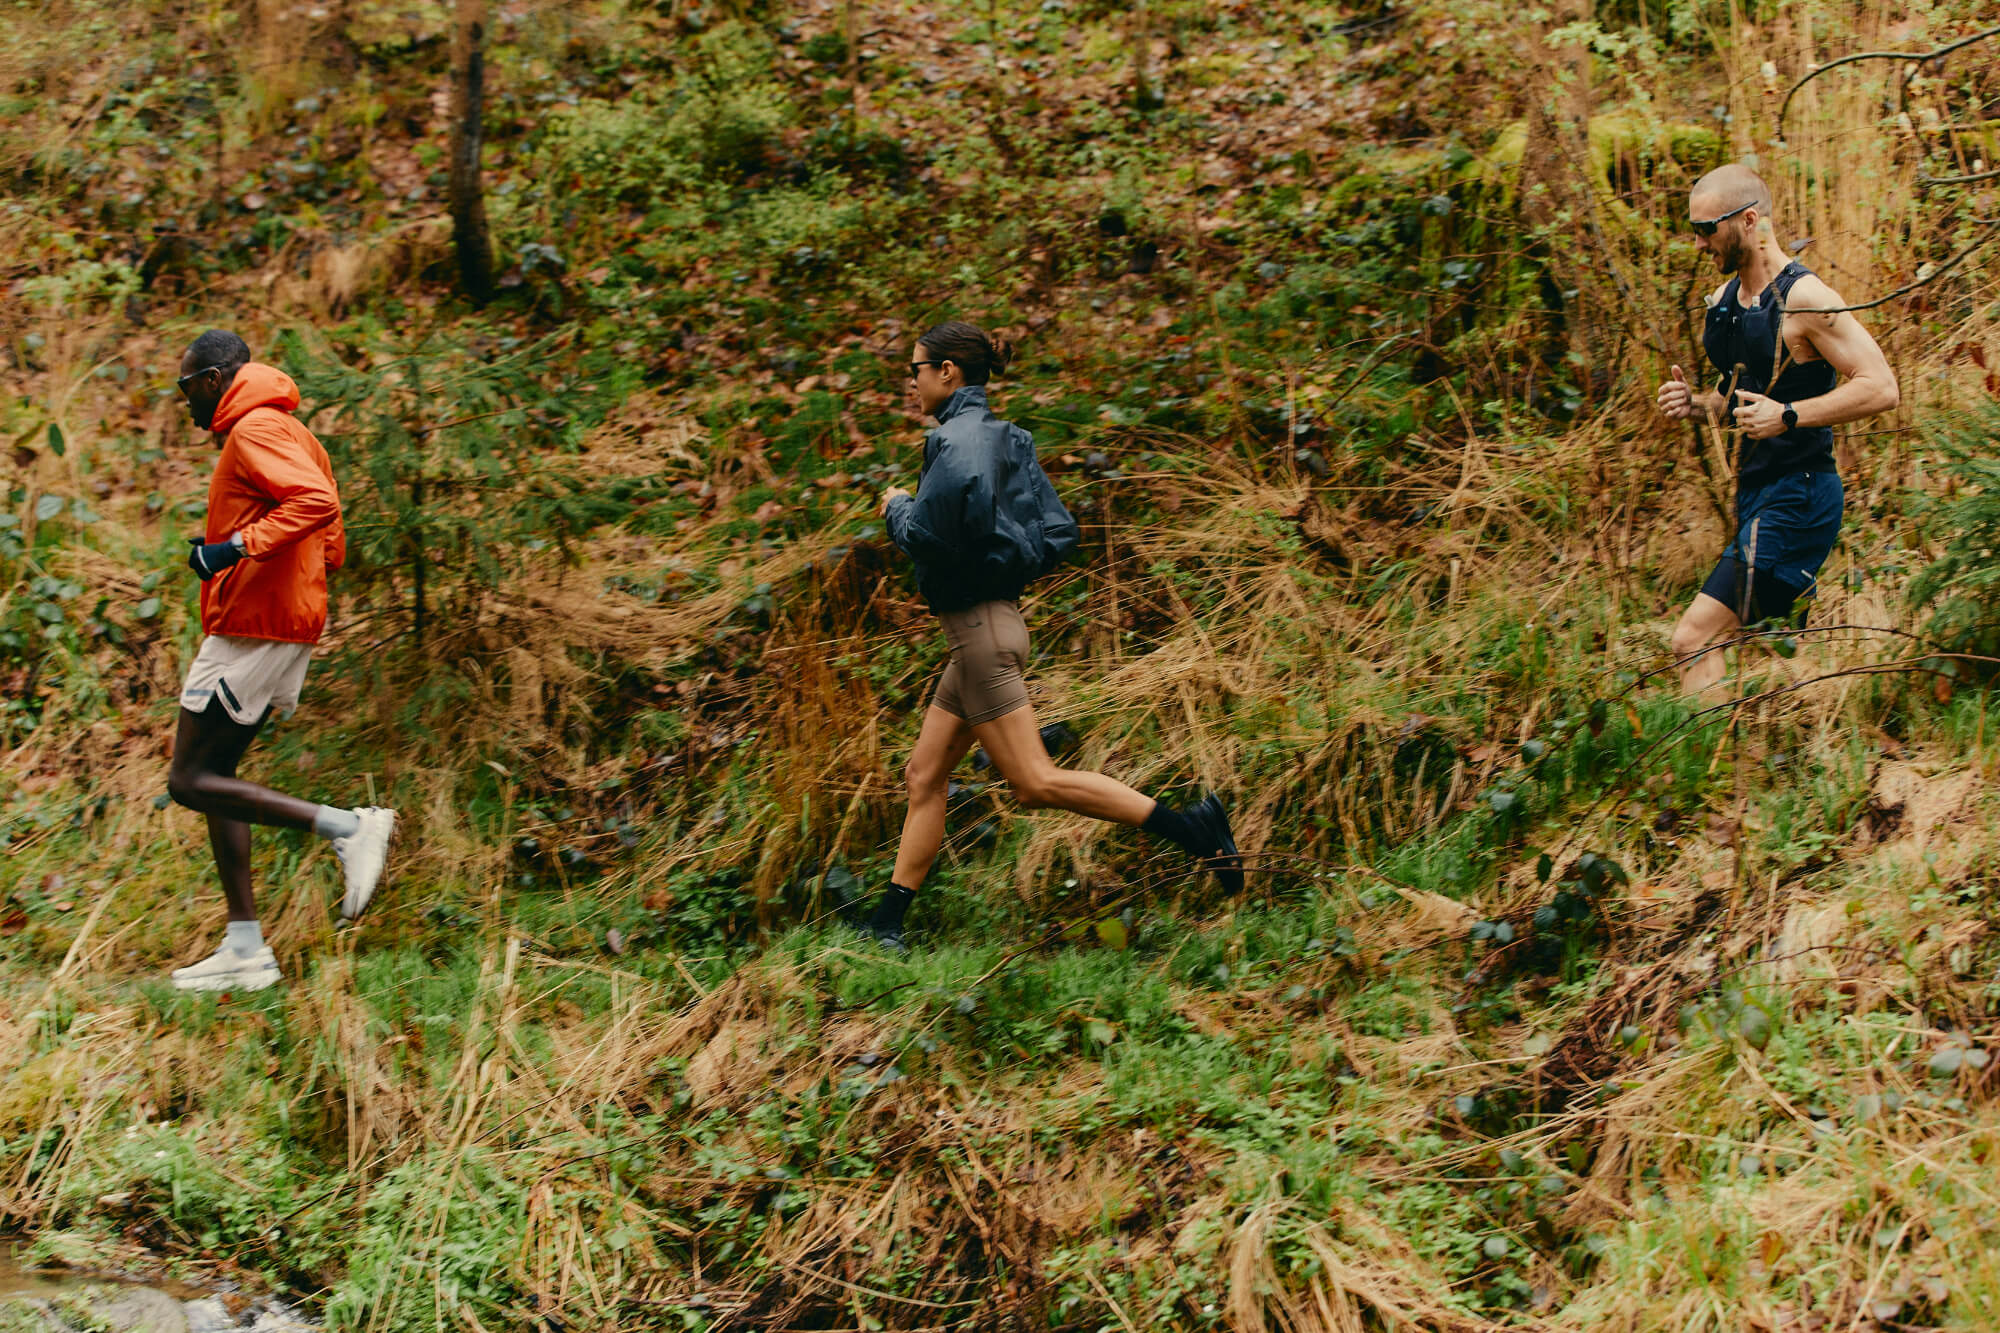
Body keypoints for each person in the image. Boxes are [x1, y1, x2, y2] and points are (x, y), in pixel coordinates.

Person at [854, 320, 1242, 950]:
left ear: (947, 371)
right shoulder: (1010, 440)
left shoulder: (954, 441)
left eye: (915, 370)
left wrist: (898, 506)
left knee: (1034, 782)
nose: (911, 383)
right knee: (924, 775)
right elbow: (1057, 534)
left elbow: (929, 537)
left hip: (979, 636)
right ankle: (886, 924)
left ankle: (1195, 830)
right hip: (991, 628)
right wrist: (997, 569)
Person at [165, 330, 396, 992]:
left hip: (254, 625)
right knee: (217, 775)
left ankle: (349, 828)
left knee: (188, 779)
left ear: (214, 379)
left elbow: (317, 504)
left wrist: (234, 551)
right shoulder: (287, 427)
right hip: (276, 619)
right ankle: (245, 949)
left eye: (187, 387)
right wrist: (269, 567)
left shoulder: (254, 429)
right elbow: (332, 539)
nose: (185, 401)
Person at [1656, 163, 1899, 696]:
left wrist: (1788, 415)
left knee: (1693, 638)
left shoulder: (1804, 298)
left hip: (1801, 496)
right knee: (1758, 662)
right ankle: (1756, 741)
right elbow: (1737, 399)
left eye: (1706, 229)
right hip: (1756, 494)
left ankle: (1703, 749)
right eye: (1693, 229)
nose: (1698, 243)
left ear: (1748, 220)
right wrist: (1695, 405)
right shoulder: (1726, 303)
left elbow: (1882, 387)